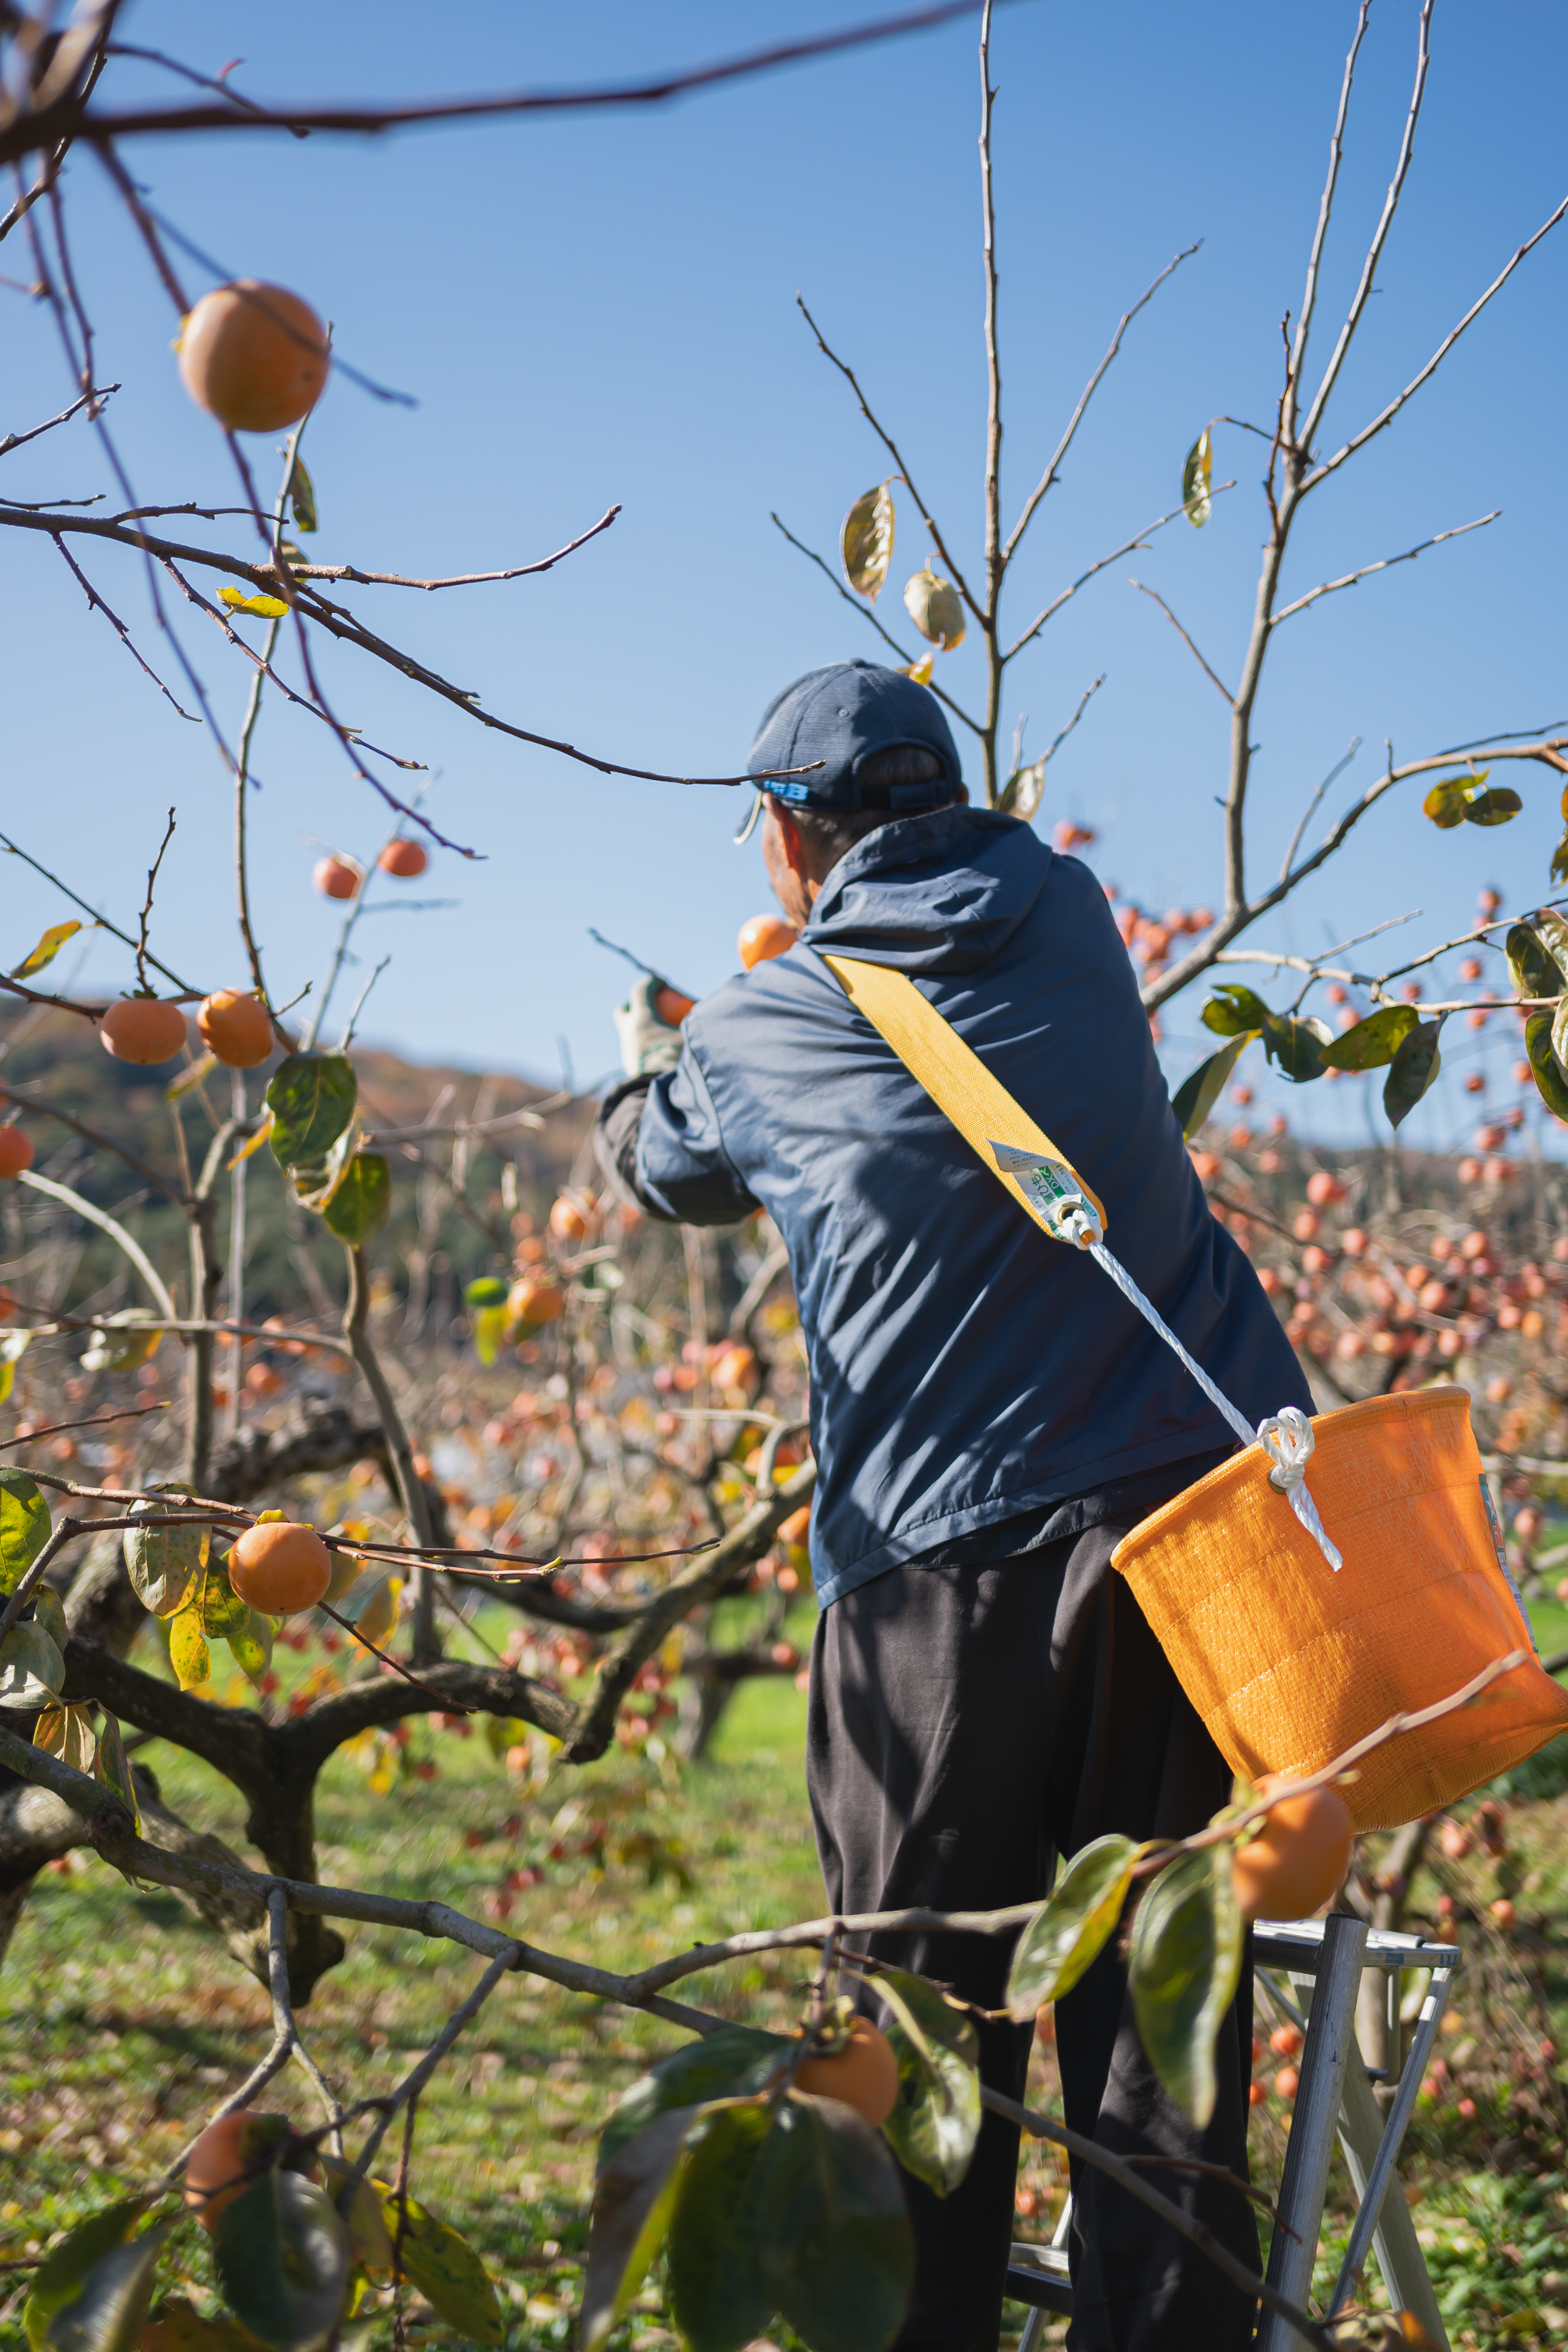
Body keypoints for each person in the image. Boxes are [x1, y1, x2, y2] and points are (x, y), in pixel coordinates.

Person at [594, 658, 1312, 2352]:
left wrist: (649, 1057)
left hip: (939, 1581)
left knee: (925, 2047)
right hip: (1171, 1546)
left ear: (784, 836)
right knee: (1159, 2040)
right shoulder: (1068, 913)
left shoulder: (757, 1025)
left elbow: (662, 1167)